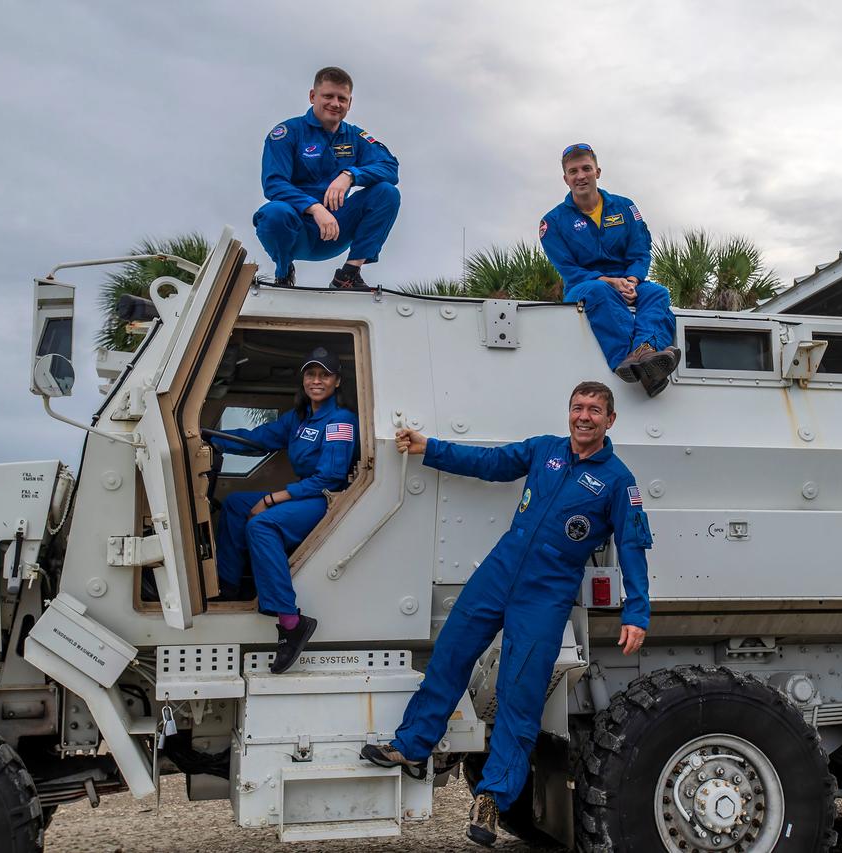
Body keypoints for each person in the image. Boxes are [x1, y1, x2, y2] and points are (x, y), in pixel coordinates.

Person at [361, 381, 652, 847]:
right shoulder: (545, 450)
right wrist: (429, 447)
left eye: (595, 410)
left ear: (610, 421)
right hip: (498, 573)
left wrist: (637, 610)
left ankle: (492, 797)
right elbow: (490, 464)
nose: (584, 416)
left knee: (520, 696)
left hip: (545, 595)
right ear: (569, 413)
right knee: (450, 657)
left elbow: (634, 546)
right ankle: (412, 746)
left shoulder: (618, 480)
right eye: (578, 407)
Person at [208, 346, 359, 674]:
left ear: (336, 381)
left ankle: (291, 623)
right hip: (306, 493)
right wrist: (211, 438)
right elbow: (259, 438)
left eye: (324, 375)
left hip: (325, 499)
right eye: (311, 374)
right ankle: (228, 588)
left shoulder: (340, 420)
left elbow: (330, 477)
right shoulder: (300, 418)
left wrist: (274, 498)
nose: (316, 380)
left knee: (262, 525)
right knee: (236, 504)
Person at [539, 143, 681, 397]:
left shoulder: (625, 208)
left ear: (598, 171)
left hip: (629, 281)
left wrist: (632, 280)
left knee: (658, 293)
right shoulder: (552, 222)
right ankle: (626, 361)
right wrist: (611, 282)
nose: (581, 175)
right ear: (565, 178)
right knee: (598, 290)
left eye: (586, 168)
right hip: (584, 287)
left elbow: (639, 251)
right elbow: (568, 269)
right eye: (573, 171)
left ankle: (645, 352)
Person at [254, 66, 401, 291]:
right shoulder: (287, 132)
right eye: (328, 96)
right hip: (297, 229)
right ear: (313, 96)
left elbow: (390, 168)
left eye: (342, 98)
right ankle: (283, 273)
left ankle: (349, 275)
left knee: (387, 192)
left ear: (350, 103)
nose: (335, 103)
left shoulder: (355, 136)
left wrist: (350, 175)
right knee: (273, 213)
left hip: (336, 230)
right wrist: (314, 208)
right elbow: (274, 183)